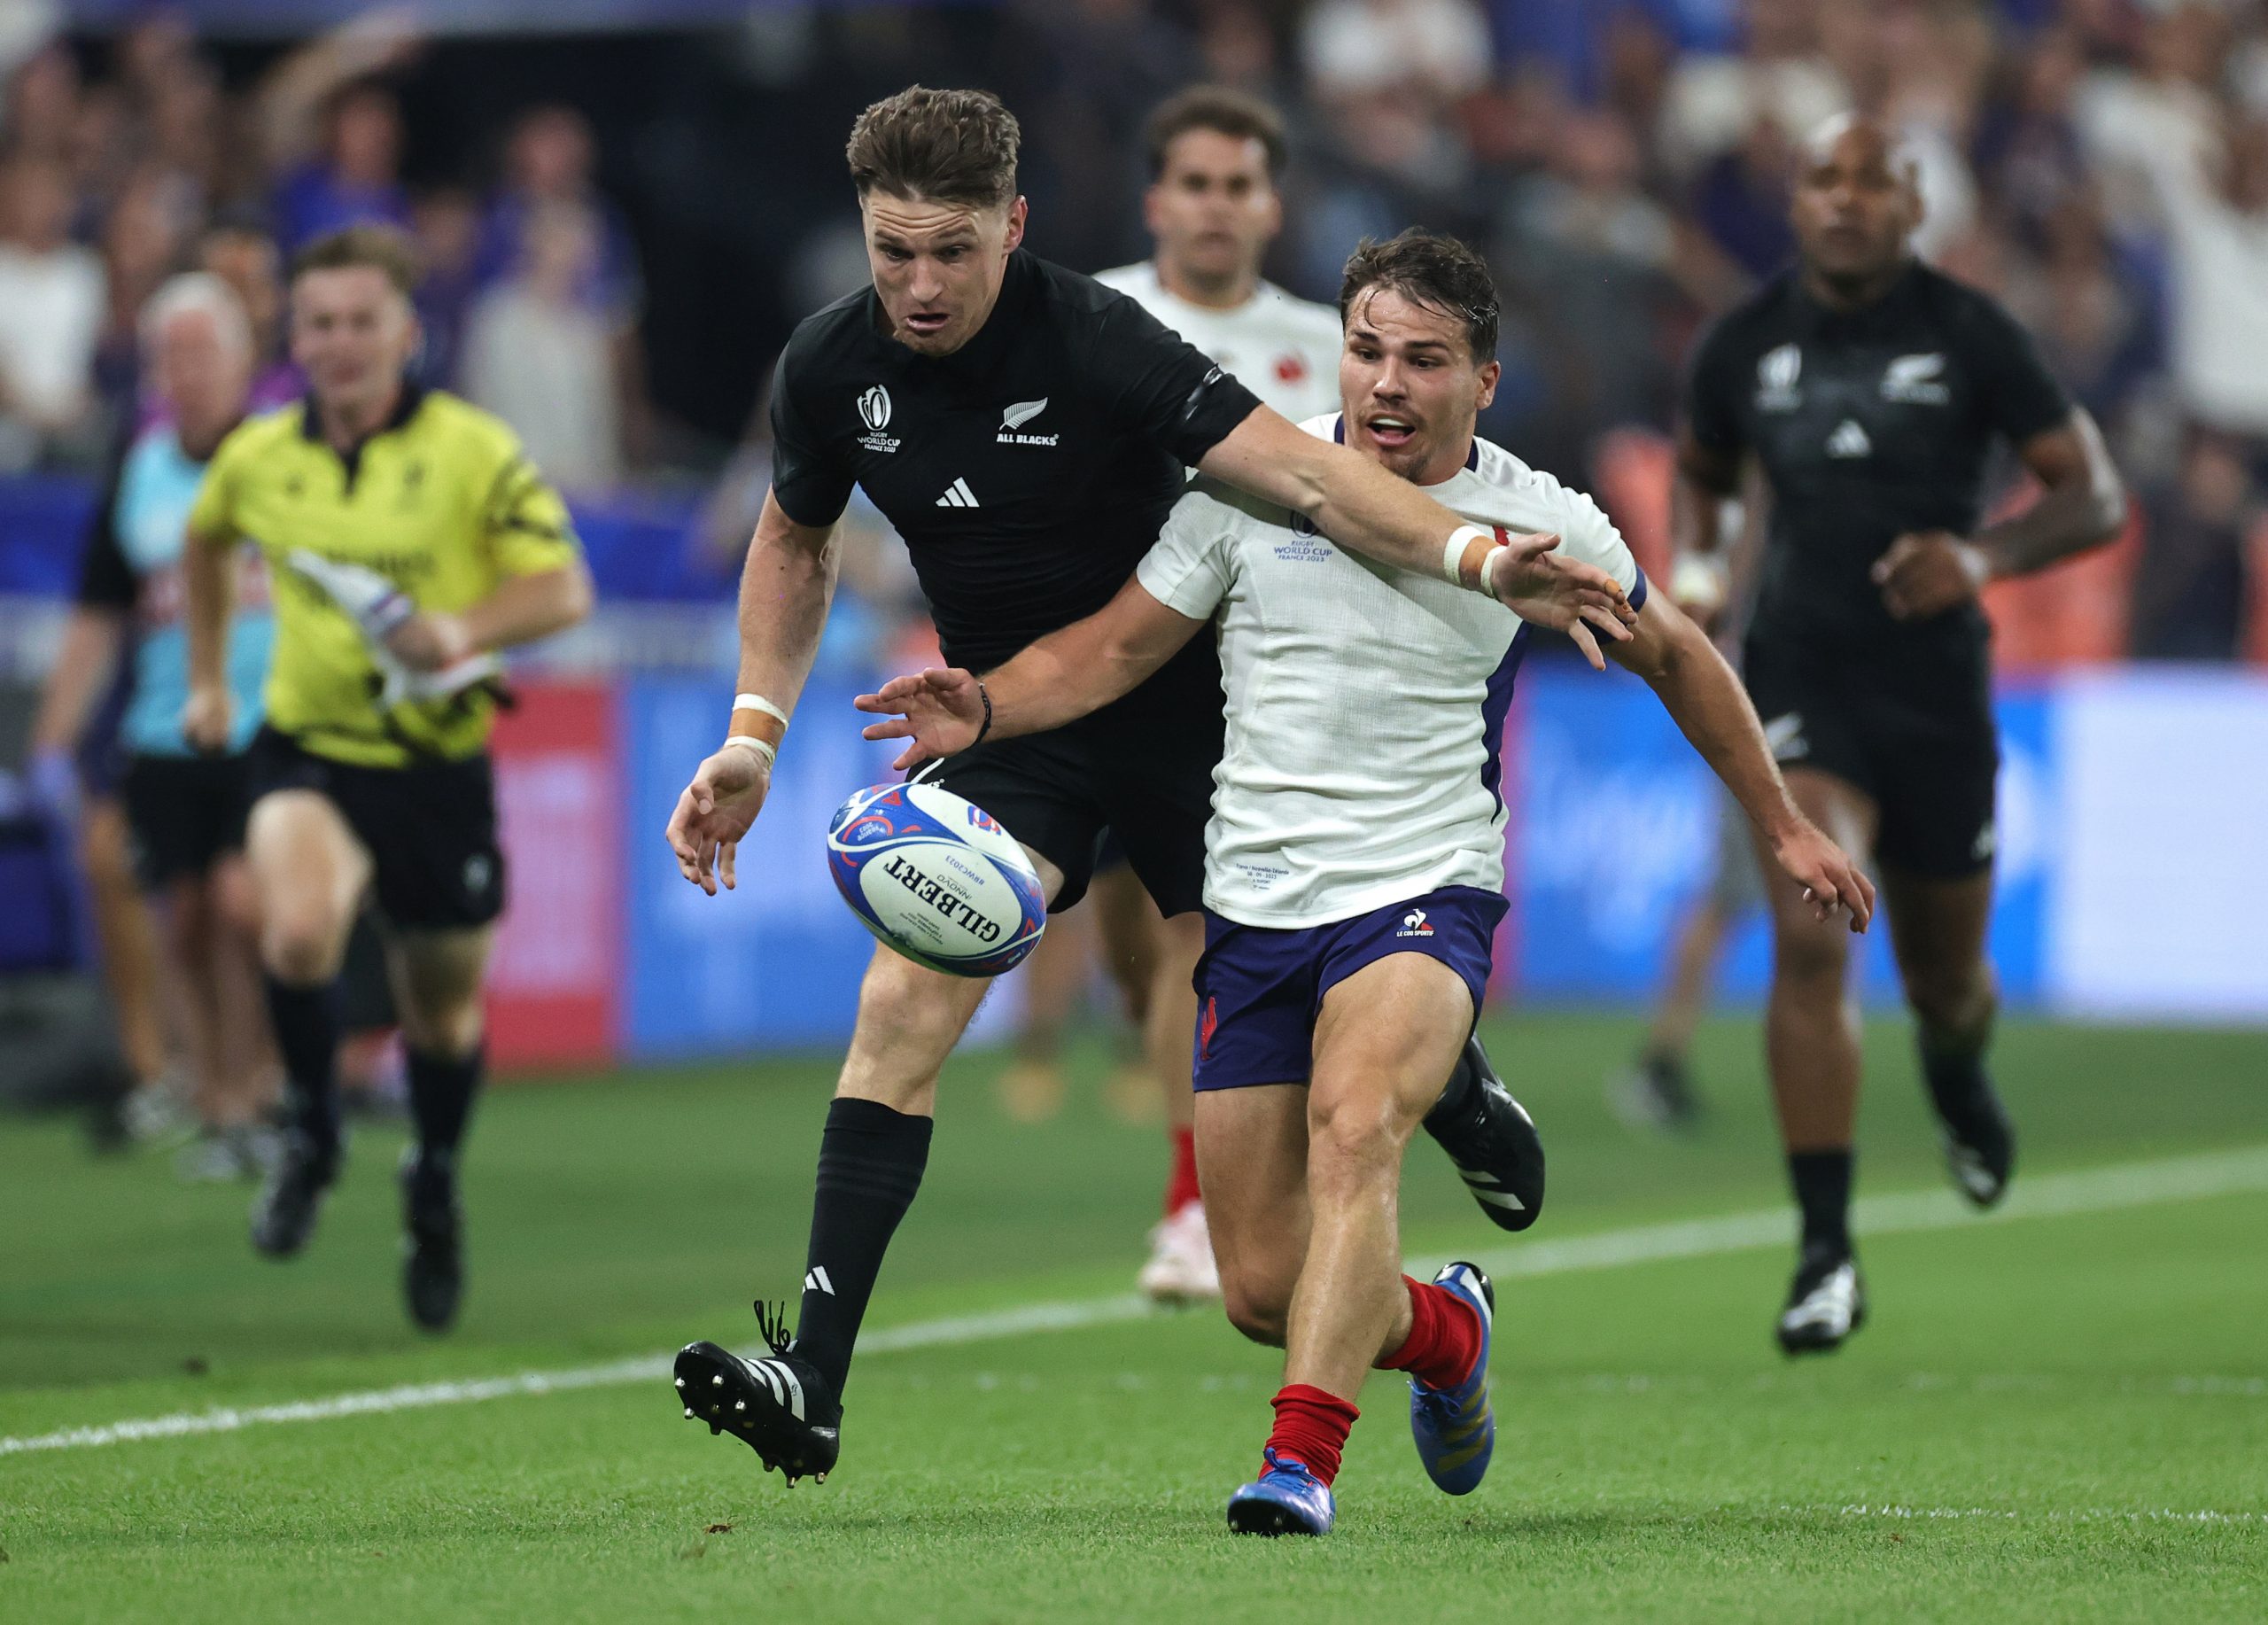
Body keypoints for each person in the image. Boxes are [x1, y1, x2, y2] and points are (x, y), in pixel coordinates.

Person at [662, 86, 1629, 1486]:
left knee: (1252, 1139)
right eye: (892, 253)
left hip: (1206, 725)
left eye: (952, 251)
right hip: (1016, 713)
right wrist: (754, 731)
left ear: (1016, 225)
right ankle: (811, 1379)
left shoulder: (1102, 337)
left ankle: (1449, 1067)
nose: (920, 287)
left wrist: (1484, 560)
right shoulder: (826, 366)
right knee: (899, 1006)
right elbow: (793, 541)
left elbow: (1306, 478)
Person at [856, 229, 1871, 1535]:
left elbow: (1676, 651)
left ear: (1484, 382)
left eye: (1426, 360)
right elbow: (1112, 651)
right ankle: (1448, 1330)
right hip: (1257, 905)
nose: (1388, 383)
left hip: (1424, 889)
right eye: (1369, 349)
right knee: (1260, 1287)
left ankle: (1299, 1462)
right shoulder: (1247, 488)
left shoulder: (1539, 517)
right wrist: (985, 704)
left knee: (1357, 1130)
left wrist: (1781, 825)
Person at [1675, 116, 2126, 1355]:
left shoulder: (1975, 334)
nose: (1847, 201)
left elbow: (2094, 492)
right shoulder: (1746, 340)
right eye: (1826, 179)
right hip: (1802, 679)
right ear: (1799, 199)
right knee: (1814, 937)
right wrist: (1704, 570)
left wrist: (1981, 554)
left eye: (1874, 181)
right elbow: (1702, 468)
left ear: (1916, 202)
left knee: (1947, 982)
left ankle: (1959, 1070)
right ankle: (1826, 1251)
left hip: (1936, 694)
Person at [182, 224, 593, 1330]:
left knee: (443, 1014)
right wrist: (211, 680)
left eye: (364, 321)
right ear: (293, 334)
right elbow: (205, 541)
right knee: (298, 929)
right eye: (320, 323)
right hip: (308, 750)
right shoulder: (258, 454)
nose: (342, 343)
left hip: (433, 765)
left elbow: (562, 590)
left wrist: (459, 626)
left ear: (408, 331)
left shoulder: (470, 450)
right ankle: (310, 1130)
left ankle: (434, 1182)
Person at [1074, 85, 1345, 1302]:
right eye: (1197, 183)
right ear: (1157, 200)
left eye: (1240, 184)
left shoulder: (1323, 343)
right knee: (1134, 950)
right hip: (1109, 666)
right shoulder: (1093, 318)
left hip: (1255, 684)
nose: (1218, 206)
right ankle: (1204, 1156)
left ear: (1271, 204)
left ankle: (1194, 1204)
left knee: (1202, 939)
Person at [29, 274, 278, 1180]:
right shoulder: (139, 471)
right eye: (168, 354)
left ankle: (260, 1087)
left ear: (241, 361)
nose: (184, 371)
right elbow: (100, 613)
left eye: (200, 351)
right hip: (166, 730)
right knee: (183, 922)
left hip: (267, 722)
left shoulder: (280, 459)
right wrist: (51, 738)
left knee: (240, 903)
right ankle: (215, 1098)